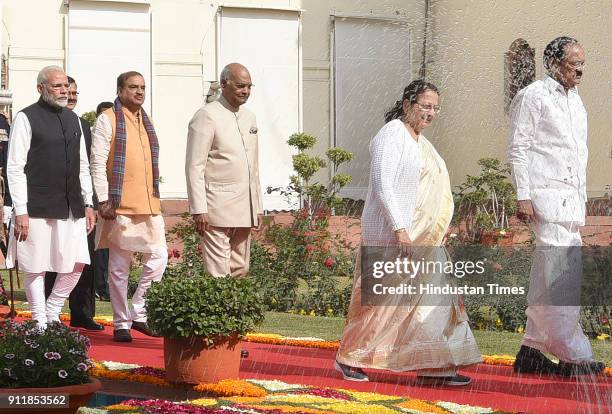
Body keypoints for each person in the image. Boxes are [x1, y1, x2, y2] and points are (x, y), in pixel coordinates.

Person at [334, 80, 481, 385]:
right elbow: (383, 183)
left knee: (432, 302)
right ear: (407, 104)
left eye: (435, 108)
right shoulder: (392, 135)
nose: (430, 113)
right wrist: (400, 229)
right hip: (391, 235)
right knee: (380, 304)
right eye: (425, 106)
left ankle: (433, 365)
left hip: (424, 239)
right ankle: (350, 357)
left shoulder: (421, 141)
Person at [507, 36, 604, 376]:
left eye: (582, 62)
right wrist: (523, 195)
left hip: (570, 203)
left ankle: (531, 349)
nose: (579, 68)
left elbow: (577, 156)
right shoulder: (533, 96)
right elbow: (518, 148)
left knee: (548, 277)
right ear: (552, 64)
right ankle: (572, 354)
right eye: (572, 62)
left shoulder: (576, 102)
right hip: (545, 199)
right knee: (562, 275)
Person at [6, 65, 96, 328]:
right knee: (36, 264)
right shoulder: (26, 117)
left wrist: (89, 202)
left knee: (78, 262)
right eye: (57, 86)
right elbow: (15, 166)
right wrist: (20, 209)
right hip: (36, 206)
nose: (64, 90)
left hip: (73, 206)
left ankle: (53, 310)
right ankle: (39, 318)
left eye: (65, 85)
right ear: (41, 88)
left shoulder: (74, 119)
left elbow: (83, 165)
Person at [90, 71, 167, 342]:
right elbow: (97, 163)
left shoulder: (146, 120)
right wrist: (102, 200)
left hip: (149, 202)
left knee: (159, 257)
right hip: (119, 204)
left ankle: (139, 311)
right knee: (119, 268)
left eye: (143, 87)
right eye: (133, 87)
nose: (139, 92)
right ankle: (122, 322)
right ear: (120, 90)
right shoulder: (107, 119)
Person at [186, 63, 263, 277]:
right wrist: (198, 208)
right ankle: (219, 311)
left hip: (244, 205)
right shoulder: (207, 115)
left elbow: (253, 166)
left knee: (240, 268)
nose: (245, 91)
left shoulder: (249, 117)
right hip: (215, 206)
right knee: (219, 272)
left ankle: (235, 310)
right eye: (240, 86)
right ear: (223, 84)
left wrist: (257, 205)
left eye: (248, 86)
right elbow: (195, 166)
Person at [43, 76, 104, 331]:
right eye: (68, 91)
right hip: (51, 202)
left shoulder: (84, 125)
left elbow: (90, 166)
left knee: (83, 258)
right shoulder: (41, 123)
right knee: (52, 257)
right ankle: (48, 310)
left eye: (76, 93)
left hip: (81, 203)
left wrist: (93, 202)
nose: (72, 96)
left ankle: (82, 312)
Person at [92, 101, 113, 303]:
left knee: (108, 251)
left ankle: (105, 287)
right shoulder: (92, 136)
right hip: (96, 199)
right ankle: (99, 287)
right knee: (98, 249)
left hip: (111, 200)